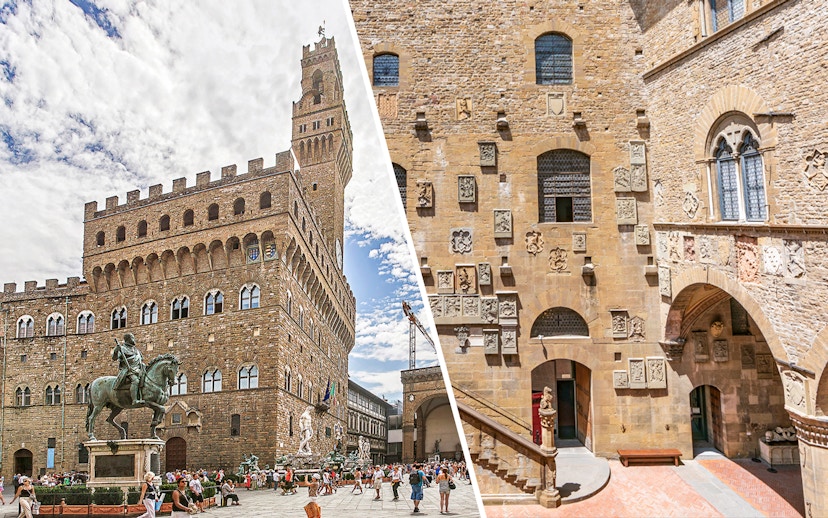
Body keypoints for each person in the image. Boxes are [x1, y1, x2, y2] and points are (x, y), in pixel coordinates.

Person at [112, 333, 147, 406]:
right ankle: (134, 400)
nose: (134, 340)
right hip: (128, 370)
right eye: (132, 338)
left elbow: (141, 360)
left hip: (138, 369)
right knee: (135, 381)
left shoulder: (136, 350)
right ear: (128, 339)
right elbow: (114, 358)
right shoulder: (122, 349)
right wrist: (116, 351)